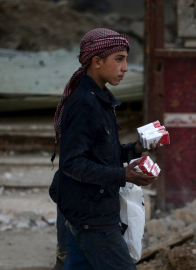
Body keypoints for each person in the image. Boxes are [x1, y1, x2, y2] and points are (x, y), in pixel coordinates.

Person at [51, 28, 158, 270]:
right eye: (119, 59)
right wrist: (123, 175)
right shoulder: (85, 103)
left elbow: (101, 154)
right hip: (92, 217)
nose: (126, 67)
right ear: (97, 62)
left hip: (87, 211)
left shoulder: (100, 98)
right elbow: (71, 163)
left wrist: (137, 148)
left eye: (126, 59)